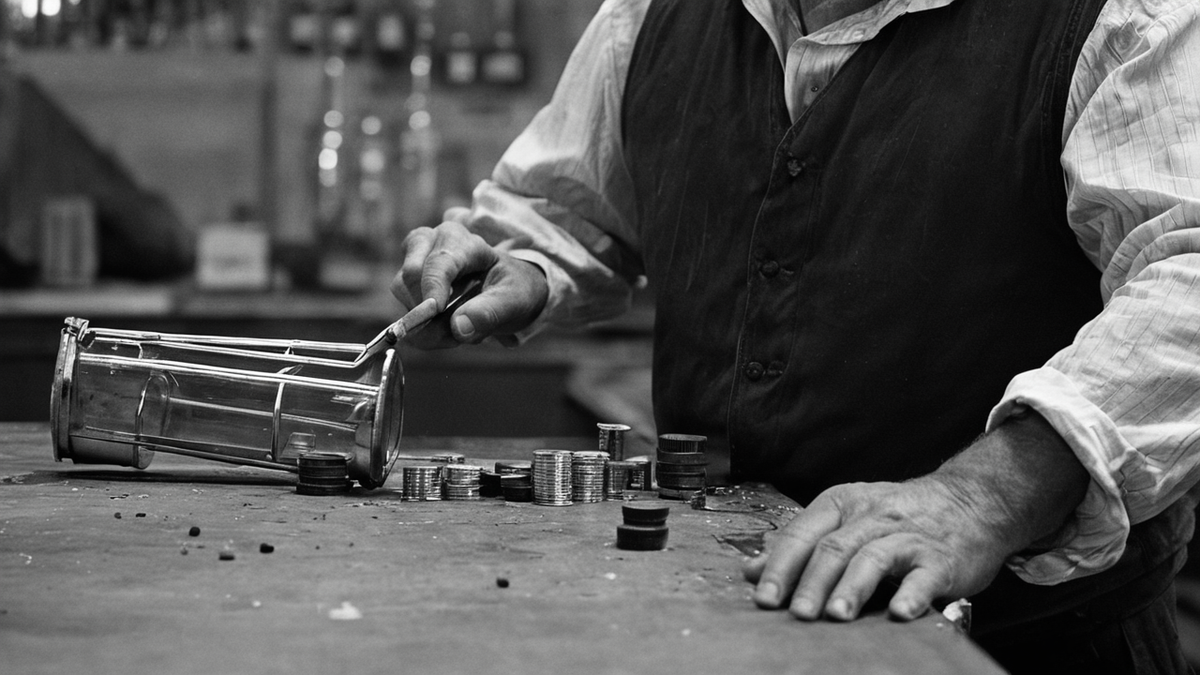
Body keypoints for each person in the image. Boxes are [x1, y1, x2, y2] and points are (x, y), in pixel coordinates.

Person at [391, 0, 1200, 671]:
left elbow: (1186, 278)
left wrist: (983, 496)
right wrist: (521, 263)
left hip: (1035, 644)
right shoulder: (652, 17)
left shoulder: (1122, 18)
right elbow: (571, 202)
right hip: (733, 615)